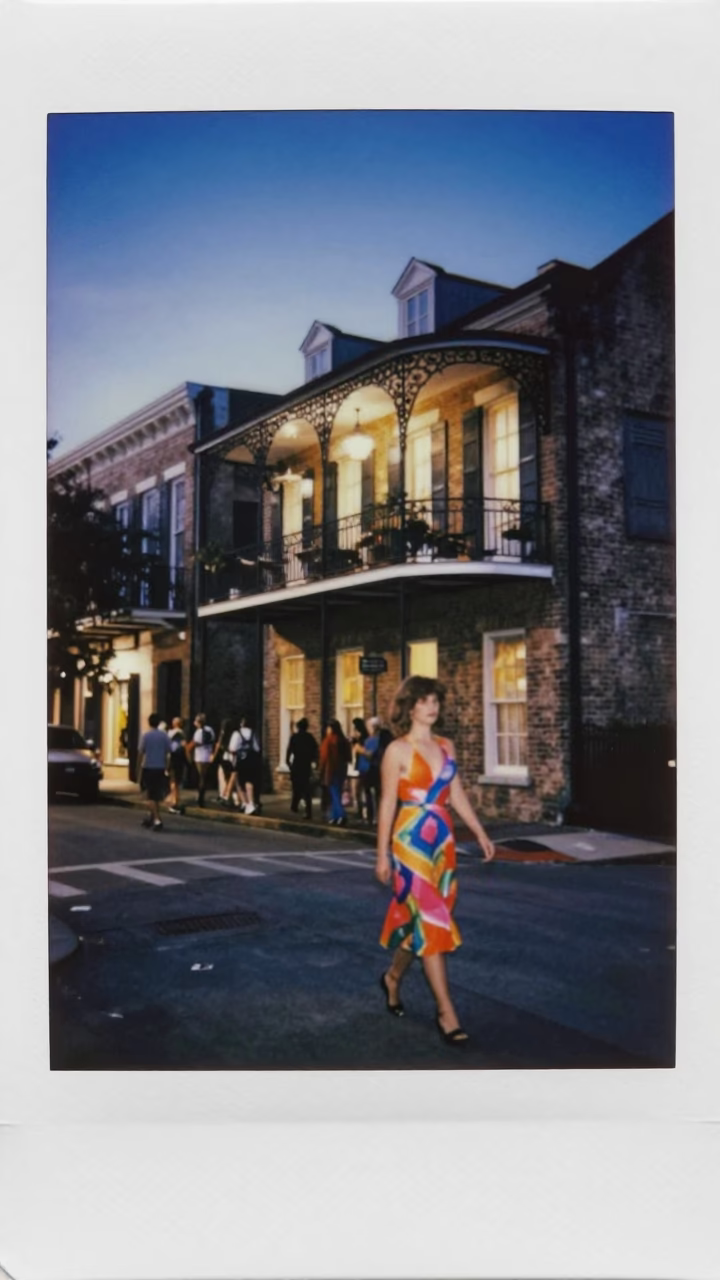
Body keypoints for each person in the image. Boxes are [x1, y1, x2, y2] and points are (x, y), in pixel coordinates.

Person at [375, 675, 495, 1046]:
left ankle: (393, 977)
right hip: (410, 839)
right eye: (425, 701)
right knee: (432, 920)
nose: (433, 707)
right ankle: (447, 1012)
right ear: (410, 707)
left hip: (441, 840)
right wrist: (381, 855)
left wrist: (478, 831)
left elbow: (455, 793)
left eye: (435, 701)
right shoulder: (397, 749)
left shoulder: (446, 746)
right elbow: (387, 803)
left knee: (421, 925)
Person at [137, 713, 171, 832]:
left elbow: (141, 753)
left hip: (149, 767)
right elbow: (168, 752)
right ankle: (151, 818)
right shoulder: (164, 736)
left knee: (150, 795)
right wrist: (167, 767)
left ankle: (157, 819)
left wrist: (138, 769)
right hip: (160, 767)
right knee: (156, 794)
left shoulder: (146, 736)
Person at [319, 719, 351, 826]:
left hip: (331, 769)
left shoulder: (328, 741)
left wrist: (321, 770)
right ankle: (334, 816)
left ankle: (341, 815)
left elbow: (324, 757)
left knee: (334, 793)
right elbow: (348, 757)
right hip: (342, 769)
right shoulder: (344, 740)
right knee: (336, 792)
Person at [286, 717, 319, 819]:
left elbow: (289, 752)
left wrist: (288, 763)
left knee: (296, 787)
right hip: (306, 765)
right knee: (306, 789)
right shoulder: (310, 738)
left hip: (297, 764)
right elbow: (316, 751)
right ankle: (308, 811)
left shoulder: (294, 737)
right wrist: (315, 763)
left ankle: (294, 806)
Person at [235, 714, 262, 815]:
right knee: (249, 781)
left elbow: (232, 748)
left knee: (240, 782)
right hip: (251, 759)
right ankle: (251, 803)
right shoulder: (253, 733)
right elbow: (257, 748)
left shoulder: (237, 733)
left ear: (242, 723)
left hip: (240, 759)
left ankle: (245, 803)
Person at [188, 713, 215, 807]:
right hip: (208, 755)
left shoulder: (198, 732)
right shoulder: (210, 730)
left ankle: (200, 796)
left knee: (201, 777)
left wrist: (187, 749)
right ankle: (201, 794)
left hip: (199, 757)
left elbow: (194, 744)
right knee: (204, 776)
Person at [351, 716, 375, 824]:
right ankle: (365, 814)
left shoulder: (365, 740)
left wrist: (357, 747)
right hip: (363, 767)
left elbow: (367, 753)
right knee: (363, 791)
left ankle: (364, 815)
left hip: (365, 768)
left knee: (362, 791)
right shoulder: (364, 738)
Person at [214, 718, 237, 806]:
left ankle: (225, 795)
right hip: (232, 758)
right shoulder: (235, 733)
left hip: (226, 756)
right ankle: (229, 796)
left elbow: (219, 744)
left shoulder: (223, 734)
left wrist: (213, 755)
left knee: (225, 776)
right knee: (230, 777)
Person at [167, 716, 187, 814]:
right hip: (176, 756)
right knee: (175, 779)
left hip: (174, 757)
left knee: (173, 779)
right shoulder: (179, 733)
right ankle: (174, 799)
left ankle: (174, 799)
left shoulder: (174, 732)